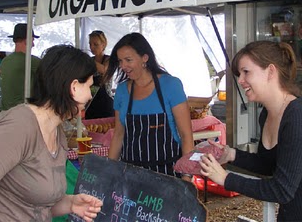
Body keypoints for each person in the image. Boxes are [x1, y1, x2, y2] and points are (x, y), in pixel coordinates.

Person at [0, 44, 103, 222]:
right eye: (89, 87)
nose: (89, 96)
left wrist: (71, 203)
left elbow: (36, 204)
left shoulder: (58, 133)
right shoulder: (19, 126)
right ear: (74, 87)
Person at [199, 41, 302, 221]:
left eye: (246, 72)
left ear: (271, 71)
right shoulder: (266, 114)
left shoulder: (296, 116)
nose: (240, 80)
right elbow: (269, 165)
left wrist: (226, 179)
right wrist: (231, 154)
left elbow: (282, 190)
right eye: (240, 74)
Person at [106, 33, 194, 180]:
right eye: (120, 61)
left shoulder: (170, 85)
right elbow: (118, 136)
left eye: (128, 60)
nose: (123, 66)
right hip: (131, 176)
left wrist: (187, 177)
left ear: (144, 58)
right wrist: (108, 173)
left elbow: (186, 136)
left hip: (168, 174)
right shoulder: (122, 90)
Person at [0, 23, 41, 112]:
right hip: (22, 112)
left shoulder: (5, 61)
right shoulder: (32, 61)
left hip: (4, 112)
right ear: (27, 40)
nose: (33, 44)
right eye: (32, 40)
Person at [85, 30, 114, 119]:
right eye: (90, 44)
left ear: (103, 45)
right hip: (91, 102)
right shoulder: (89, 61)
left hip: (106, 103)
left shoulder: (109, 59)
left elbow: (104, 70)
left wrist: (88, 60)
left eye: (95, 44)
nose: (92, 47)